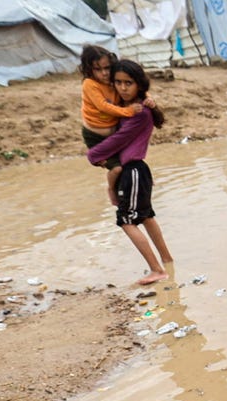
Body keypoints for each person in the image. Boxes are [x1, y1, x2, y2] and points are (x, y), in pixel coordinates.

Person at [87, 60, 173, 286]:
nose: (123, 88)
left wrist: (93, 155)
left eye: (128, 83)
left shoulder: (139, 112)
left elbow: (118, 140)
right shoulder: (131, 108)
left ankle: (157, 270)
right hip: (137, 171)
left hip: (133, 170)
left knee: (126, 220)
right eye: (118, 83)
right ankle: (167, 261)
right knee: (145, 216)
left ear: (139, 84)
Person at [78, 45, 153, 206]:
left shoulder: (113, 81)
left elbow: (137, 87)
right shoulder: (90, 84)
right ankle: (111, 189)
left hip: (113, 133)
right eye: (97, 69)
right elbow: (103, 106)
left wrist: (148, 98)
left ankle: (140, 187)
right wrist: (128, 112)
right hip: (95, 137)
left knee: (128, 162)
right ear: (88, 70)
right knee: (117, 168)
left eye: (107, 68)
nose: (104, 73)